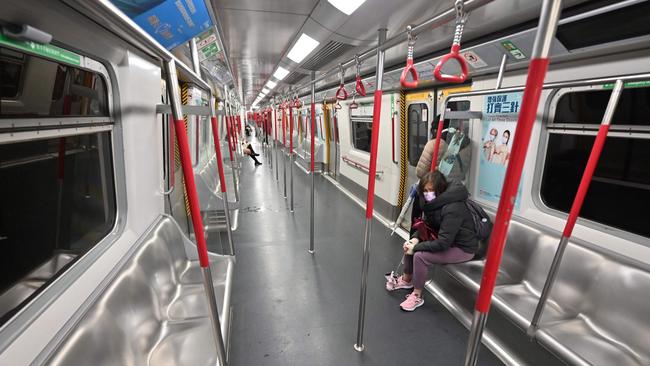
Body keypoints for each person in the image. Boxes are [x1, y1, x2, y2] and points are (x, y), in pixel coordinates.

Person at [387, 171, 478, 311]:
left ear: (440, 189)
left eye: (431, 190)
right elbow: (427, 225)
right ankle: (406, 280)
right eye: (425, 191)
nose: (427, 194)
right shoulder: (435, 203)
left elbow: (443, 243)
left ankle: (417, 295)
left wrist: (417, 248)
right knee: (411, 243)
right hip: (447, 240)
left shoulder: (453, 207)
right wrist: (416, 239)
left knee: (420, 256)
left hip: (462, 248)